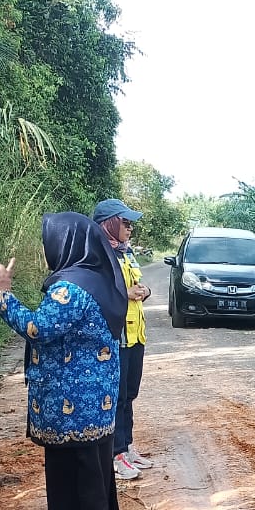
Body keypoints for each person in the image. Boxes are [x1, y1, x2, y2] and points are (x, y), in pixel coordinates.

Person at [0, 212, 128, 510]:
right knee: (94, 473)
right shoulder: (99, 278)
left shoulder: (70, 288)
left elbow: (38, 328)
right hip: (94, 401)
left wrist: (3, 294)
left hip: (71, 405)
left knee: (73, 479)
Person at [92, 198, 153, 481]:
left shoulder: (126, 253)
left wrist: (144, 291)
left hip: (135, 334)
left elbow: (137, 286)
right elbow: (95, 294)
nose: (129, 228)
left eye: (130, 224)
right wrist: (124, 294)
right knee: (115, 397)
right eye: (125, 223)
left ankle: (127, 447)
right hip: (115, 338)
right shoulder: (97, 255)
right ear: (109, 224)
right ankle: (114, 455)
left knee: (129, 394)